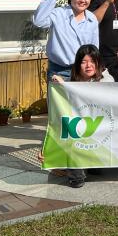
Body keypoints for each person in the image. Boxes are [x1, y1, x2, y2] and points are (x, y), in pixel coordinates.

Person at [49, 44, 110, 189]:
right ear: (78, 64)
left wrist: (68, 88)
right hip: (80, 127)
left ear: (98, 63)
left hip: (101, 126)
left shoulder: (107, 80)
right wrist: (62, 87)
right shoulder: (72, 82)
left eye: (92, 61)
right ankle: (76, 175)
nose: (89, 66)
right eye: (84, 62)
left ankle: (92, 163)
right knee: (70, 130)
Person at [33, 0, 99, 82]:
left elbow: (94, 46)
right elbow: (39, 21)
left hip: (83, 72)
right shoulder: (59, 13)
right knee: (59, 93)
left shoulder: (92, 18)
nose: (83, 0)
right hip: (59, 71)